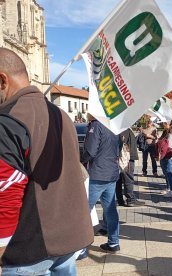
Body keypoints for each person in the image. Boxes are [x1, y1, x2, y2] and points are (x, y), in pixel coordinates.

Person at [0, 48, 93, 274]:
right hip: (69, 238)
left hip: (28, 250)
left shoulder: (8, 120)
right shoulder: (61, 115)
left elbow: (6, 191)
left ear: (2, 80)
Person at [81, 114, 121, 253]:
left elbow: (90, 151)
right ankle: (113, 242)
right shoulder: (112, 126)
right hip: (111, 172)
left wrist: (81, 159)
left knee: (84, 210)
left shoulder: (96, 126)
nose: (87, 114)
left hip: (98, 173)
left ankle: (81, 248)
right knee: (110, 210)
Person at [116, 128, 143, 207]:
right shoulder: (124, 129)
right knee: (128, 179)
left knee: (119, 180)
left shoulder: (121, 129)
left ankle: (120, 199)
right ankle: (130, 199)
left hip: (123, 157)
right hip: (126, 158)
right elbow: (121, 143)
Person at [158, 121, 172, 198]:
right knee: (166, 173)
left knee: (169, 173)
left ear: (170, 125)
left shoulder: (171, 134)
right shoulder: (165, 132)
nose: (164, 124)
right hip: (163, 156)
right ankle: (168, 188)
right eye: (164, 123)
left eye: (166, 123)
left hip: (168, 156)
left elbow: (168, 146)